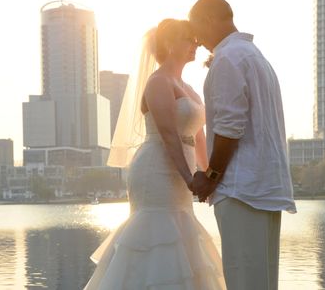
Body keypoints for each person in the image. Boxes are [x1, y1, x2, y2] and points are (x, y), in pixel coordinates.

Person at [84, 19, 226, 290]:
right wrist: (189, 178)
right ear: (170, 43)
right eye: (189, 39)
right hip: (156, 170)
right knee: (157, 230)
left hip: (182, 172)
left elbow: (197, 137)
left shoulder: (190, 89)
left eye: (195, 39)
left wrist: (209, 176)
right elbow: (168, 135)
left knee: (183, 234)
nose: (195, 44)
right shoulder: (158, 82)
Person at [187, 0, 297, 290]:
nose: (197, 40)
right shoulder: (254, 56)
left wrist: (210, 177)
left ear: (209, 20)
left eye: (197, 30)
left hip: (241, 189)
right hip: (263, 185)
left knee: (244, 281)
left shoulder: (228, 59)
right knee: (261, 281)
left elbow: (229, 128)